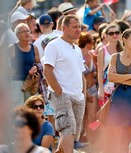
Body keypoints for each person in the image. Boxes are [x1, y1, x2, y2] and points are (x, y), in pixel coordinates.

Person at [44, 14, 85, 153]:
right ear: (64, 28)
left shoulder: (77, 49)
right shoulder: (54, 45)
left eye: (79, 27)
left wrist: (82, 94)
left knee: (72, 135)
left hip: (78, 96)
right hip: (62, 95)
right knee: (67, 128)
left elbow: (80, 73)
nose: (78, 30)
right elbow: (47, 70)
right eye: (75, 27)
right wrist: (59, 91)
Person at [105, 29, 131, 153]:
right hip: (119, 96)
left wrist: (121, 78)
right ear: (124, 40)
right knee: (116, 130)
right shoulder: (115, 57)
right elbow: (111, 77)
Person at [9, 23, 40, 107]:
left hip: (32, 82)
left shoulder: (34, 48)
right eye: (23, 31)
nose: (27, 33)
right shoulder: (12, 48)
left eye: (28, 31)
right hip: (17, 83)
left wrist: (35, 68)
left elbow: (39, 64)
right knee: (18, 110)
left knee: (33, 109)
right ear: (17, 35)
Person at [78, 33, 98, 144]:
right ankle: (80, 138)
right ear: (89, 43)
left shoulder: (90, 55)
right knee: (81, 116)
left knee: (92, 116)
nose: (94, 44)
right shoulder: (77, 55)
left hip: (92, 88)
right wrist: (85, 92)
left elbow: (95, 70)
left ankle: (91, 138)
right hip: (81, 90)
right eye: (92, 42)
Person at [97, 23, 122, 106]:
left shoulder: (124, 50)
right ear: (106, 36)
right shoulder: (102, 50)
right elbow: (100, 71)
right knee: (105, 114)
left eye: (117, 32)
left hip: (120, 86)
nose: (114, 35)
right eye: (111, 33)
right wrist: (100, 88)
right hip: (106, 85)